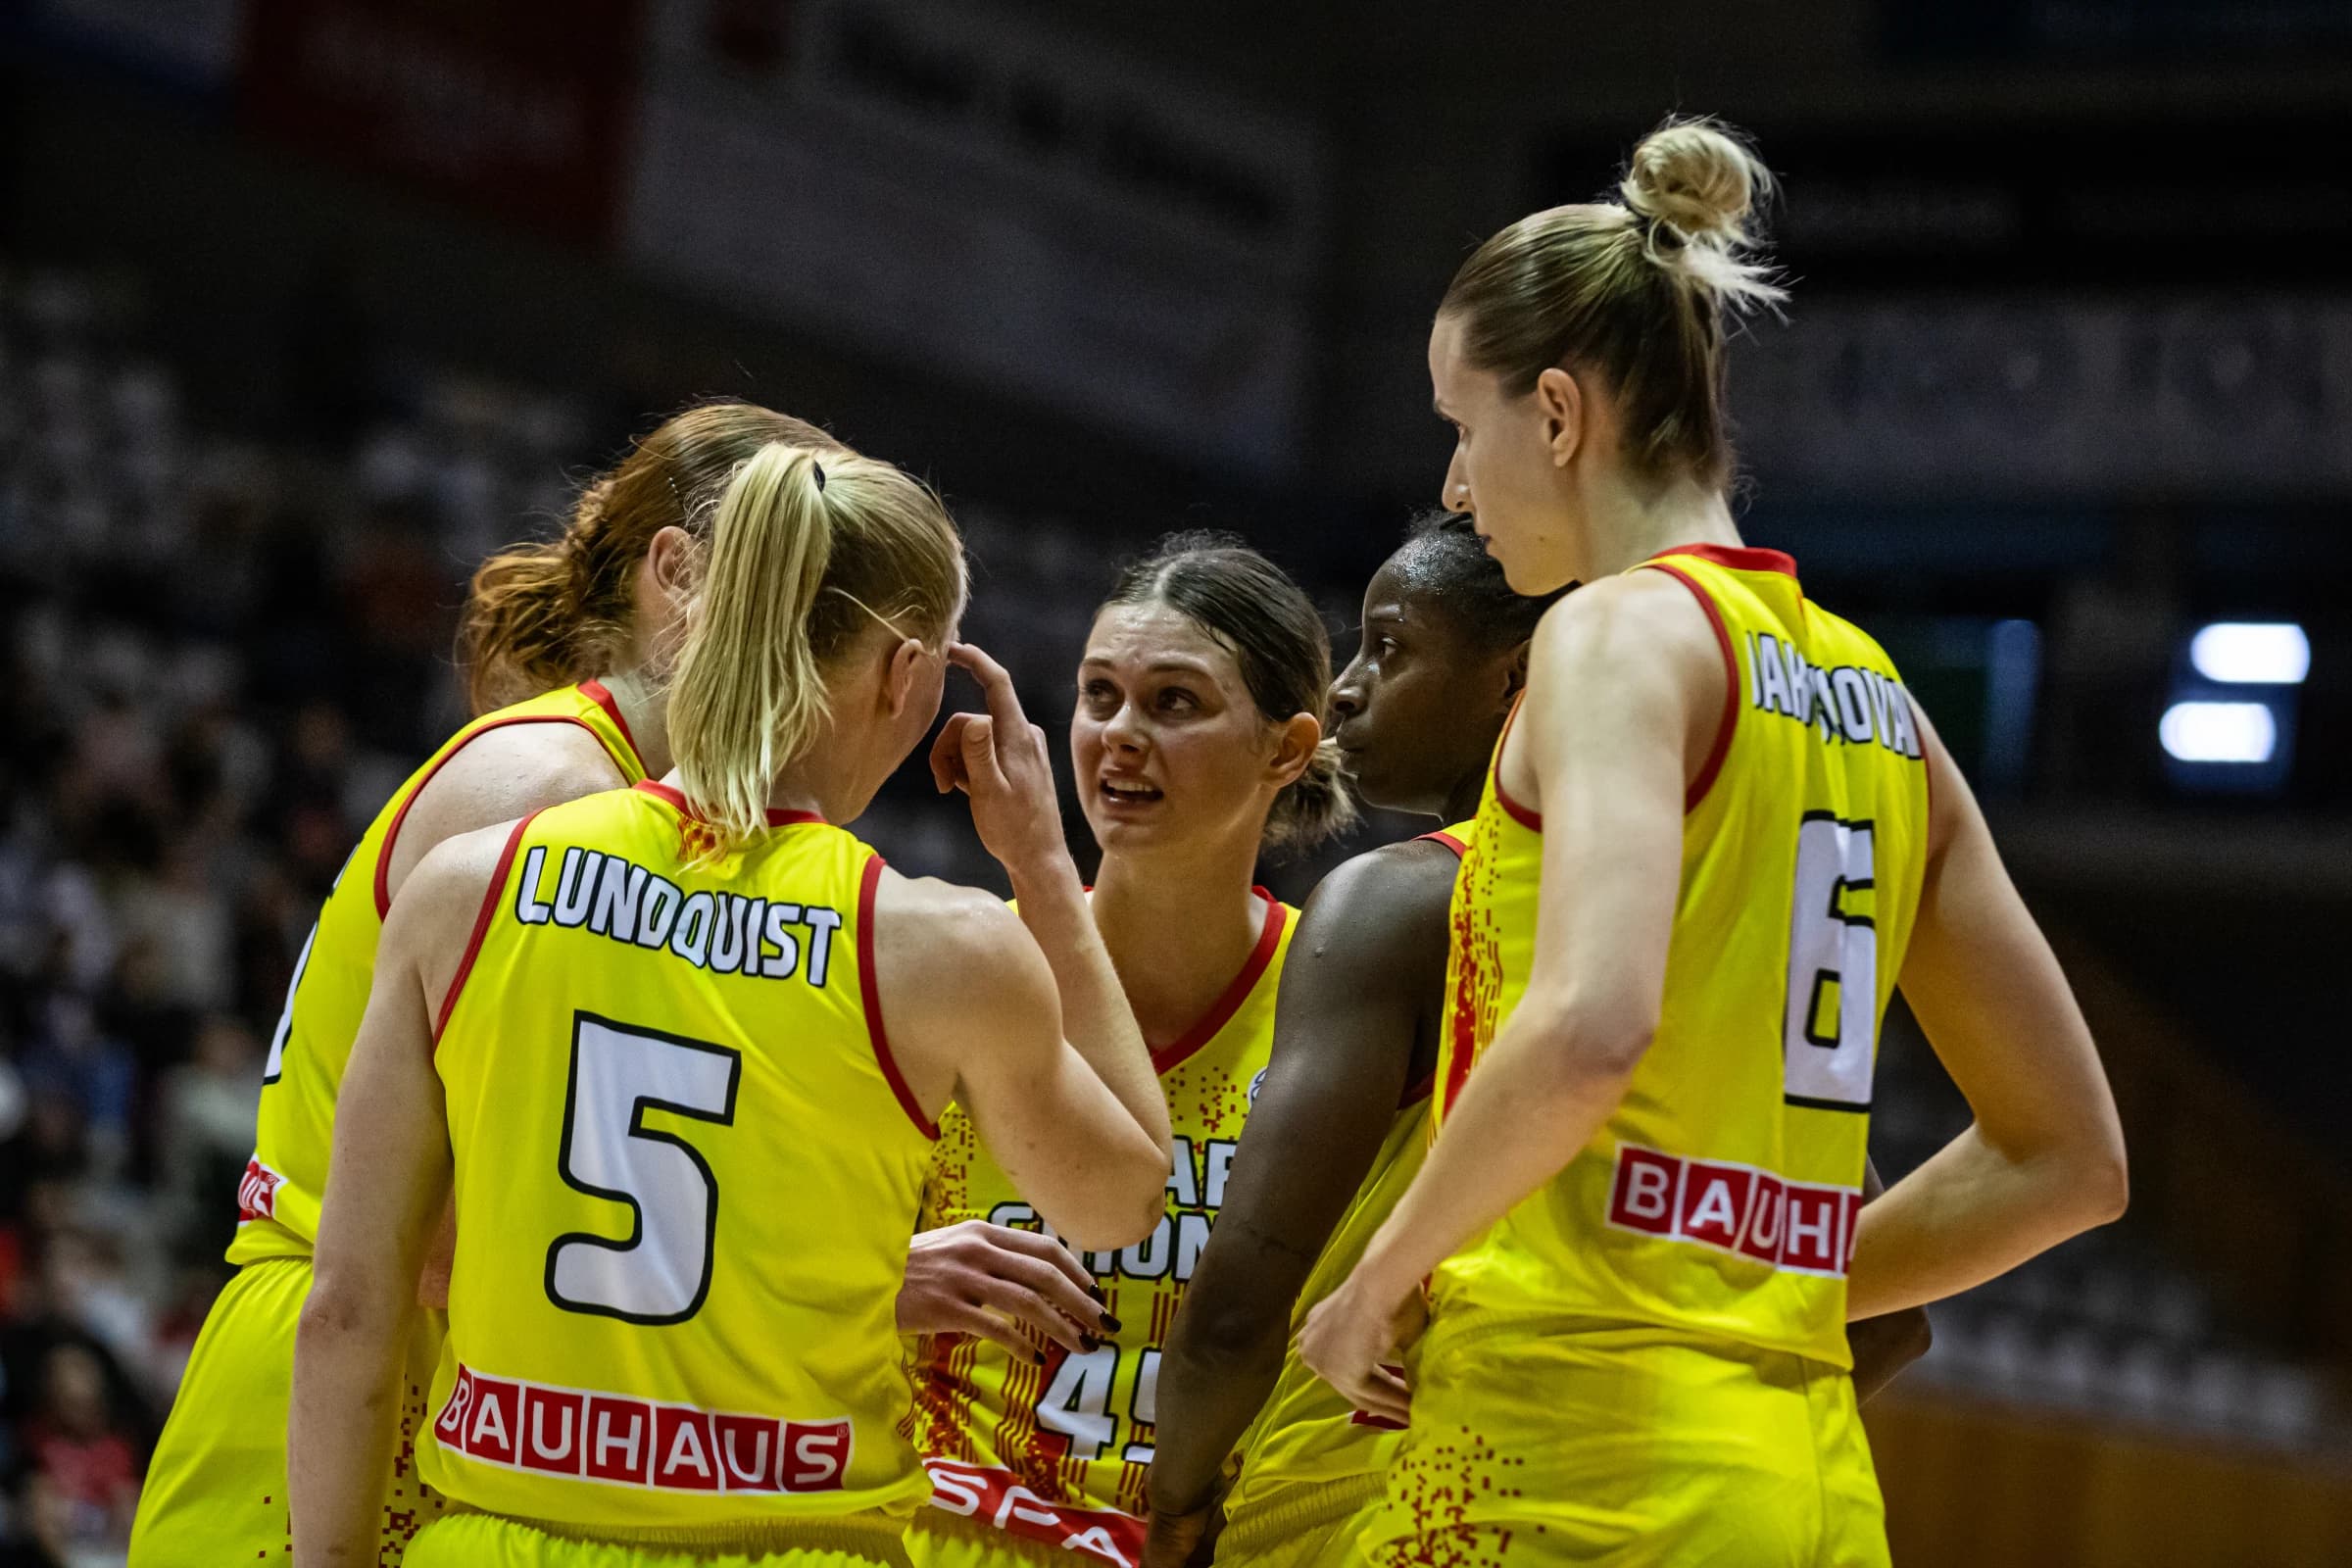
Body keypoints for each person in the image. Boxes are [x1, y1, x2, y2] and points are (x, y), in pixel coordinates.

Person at [1300, 117, 2128, 1567]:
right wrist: (1772, 1288)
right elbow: (2071, 1160)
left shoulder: (1617, 636)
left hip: (1566, 1465)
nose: (1451, 487)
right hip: (1798, 1484)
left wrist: (1382, 1274)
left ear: (1556, 417)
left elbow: (1591, 1025)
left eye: (1459, 426)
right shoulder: (1881, 699)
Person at [290, 442, 1173, 1568]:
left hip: (498, 1537)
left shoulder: (466, 885)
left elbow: (351, 1310)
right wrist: (1046, 865)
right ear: (904, 675)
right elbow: (1124, 1194)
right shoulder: (937, 945)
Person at [129, 400, 853, 1567]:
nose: (840, 658)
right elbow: (461, 1237)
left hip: (444, 1380)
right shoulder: (545, 789)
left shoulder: (637, 820)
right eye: (810, 600)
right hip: (354, 1384)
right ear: (678, 575)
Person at [1147, 514, 1934, 1568]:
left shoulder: (1401, 903)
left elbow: (1237, 1316)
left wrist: (1175, 1513)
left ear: (1517, 676)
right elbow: (1885, 1317)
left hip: (1366, 1521)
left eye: (1392, 646)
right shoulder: (1668, 929)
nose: (1347, 687)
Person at [901, 535, 1352, 1568]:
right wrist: (881, 1274)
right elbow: (764, 1251)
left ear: (1286, 748)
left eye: (1176, 702)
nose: (1120, 736)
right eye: (1100, 695)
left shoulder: (1337, 1006)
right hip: (937, 1532)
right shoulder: (962, 958)